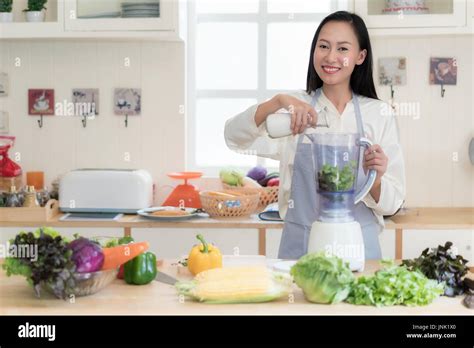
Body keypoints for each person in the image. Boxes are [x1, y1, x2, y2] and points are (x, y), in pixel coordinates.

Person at [224, 11, 406, 260]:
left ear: (360, 56)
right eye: (323, 46)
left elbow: (393, 203)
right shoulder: (294, 109)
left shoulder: (379, 114)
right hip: (302, 250)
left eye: (343, 48)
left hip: (359, 250)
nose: (331, 57)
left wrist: (375, 180)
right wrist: (276, 102)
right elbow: (234, 137)